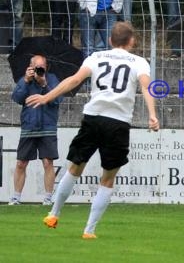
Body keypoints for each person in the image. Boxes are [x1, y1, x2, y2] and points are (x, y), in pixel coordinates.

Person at [27, 21, 159, 239]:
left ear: (110, 40)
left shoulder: (96, 57)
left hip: (93, 118)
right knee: (108, 178)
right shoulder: (139, 62)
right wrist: (152, 114)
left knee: (74, 167)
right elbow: (146, 86)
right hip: (117, 123)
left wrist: (46, 96)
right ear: (132, 41)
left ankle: (54, 214)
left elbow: (75, 80)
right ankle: (89, 230)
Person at [10, 55, 62, 205]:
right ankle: (16, 197)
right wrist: (25, 81)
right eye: (36, 67)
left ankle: (47, 198)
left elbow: (58, 100)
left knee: (48, 162)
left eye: (42, 67)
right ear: (30, 67)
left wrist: (45, 84)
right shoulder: (25, 80)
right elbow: (17, 98)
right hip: (29, 126)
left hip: (47, 127)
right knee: (21, 163)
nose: (39, 70)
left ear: (46, 67)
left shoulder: (52, 79)